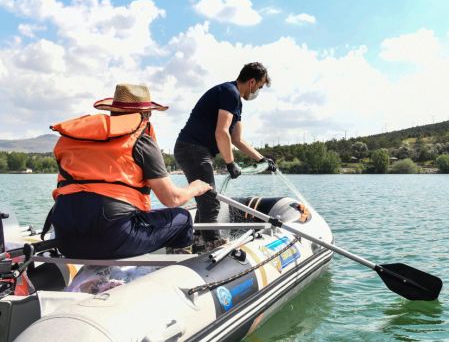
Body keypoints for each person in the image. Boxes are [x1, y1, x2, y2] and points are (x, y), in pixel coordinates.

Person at [46, 84, 212, 259]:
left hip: (66, 241)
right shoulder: (141, 141)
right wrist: (195, 188)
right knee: (183, 218)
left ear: (113, 112)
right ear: (146, 114)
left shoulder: (71, 140)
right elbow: (172, 199)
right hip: (113, 237)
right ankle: (178, 268)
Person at [174, 62, 277, 252]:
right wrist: (230, 163)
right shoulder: (230, 93)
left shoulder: (234, 99)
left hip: (193, 149)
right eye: (260, 87)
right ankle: (212, 242)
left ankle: (197, 240)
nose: (258, 93)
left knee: (205, 197)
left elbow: (237, 139)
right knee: (210, 199)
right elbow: (222, 132)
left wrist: (261, 159)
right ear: (252, 82)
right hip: (192, 149)